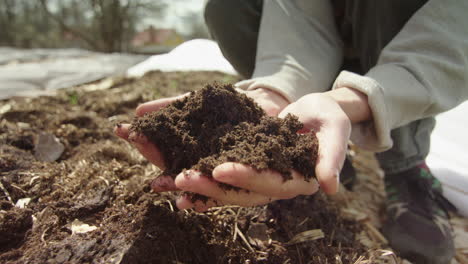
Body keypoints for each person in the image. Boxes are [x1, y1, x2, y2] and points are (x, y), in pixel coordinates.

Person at [115, 0, 468, 263]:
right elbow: (299, 21)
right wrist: (275, 92)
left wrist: (350, 100)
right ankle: (321, 143)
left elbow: (454, 33)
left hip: (410, 45)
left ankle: (404, 165)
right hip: (334, 43)